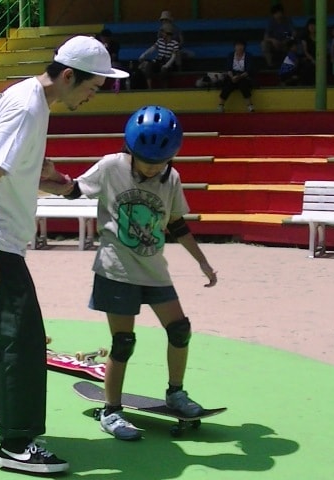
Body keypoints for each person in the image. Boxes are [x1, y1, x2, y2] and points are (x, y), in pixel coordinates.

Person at [0, 35, 128, 473]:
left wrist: (62, 185)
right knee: (24, 342)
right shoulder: (28, 109)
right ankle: (17, 444)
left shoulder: (26, 98)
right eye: (91, 87)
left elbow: (11, 174)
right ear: (68, 76)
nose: (91, 96)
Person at [64, 105, 218, 441]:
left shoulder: (171, 178)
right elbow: (75, 189)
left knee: (180, 329)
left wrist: (202, 261)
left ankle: (175, 393)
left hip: (154, 271)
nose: (150, 169)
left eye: (158, 163)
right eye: (144, 161)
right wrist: (46, 178)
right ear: (130, 150)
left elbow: (176, 224)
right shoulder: (110, 166)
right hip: (115, 269)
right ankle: (112, 411)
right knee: (124, 342)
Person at [217, 39, 256, 113]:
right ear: (234, 47)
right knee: (228, 85)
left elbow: (249, 70)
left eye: (241, 45)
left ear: (244, 47)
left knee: (243, 84)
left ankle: (250, 106)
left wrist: (239, 77)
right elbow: (228, 69)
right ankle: (220, 105)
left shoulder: (248, 56)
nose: (239, 47)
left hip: (244, 75)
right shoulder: (231, 55)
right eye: (237, 45)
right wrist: (232, 77)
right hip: (232, 75)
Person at [139, 24, 180, 89]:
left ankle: (163, 88)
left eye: (163, 32)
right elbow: (152, 49)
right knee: (149, 66)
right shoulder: (160, 41)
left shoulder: (175, 43)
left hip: (168, 62)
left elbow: (173, 57)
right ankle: (149, 87)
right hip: (159, 60)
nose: (162, 34)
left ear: (167, 33)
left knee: (164, 71)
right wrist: (143, 55)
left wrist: (166, 65)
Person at [261, 3, 296, 68]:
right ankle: (270, 64)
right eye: (276, 14)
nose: (278, 15)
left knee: (293, 45)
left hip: (286, 42)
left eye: (279, 13)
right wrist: (273, 40)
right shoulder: (271, 22)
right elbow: (265, 37)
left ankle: (291, 64)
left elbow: (293, 33)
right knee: (264, 44)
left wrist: (286, 40)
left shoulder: (287, 20)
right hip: (275, 44)